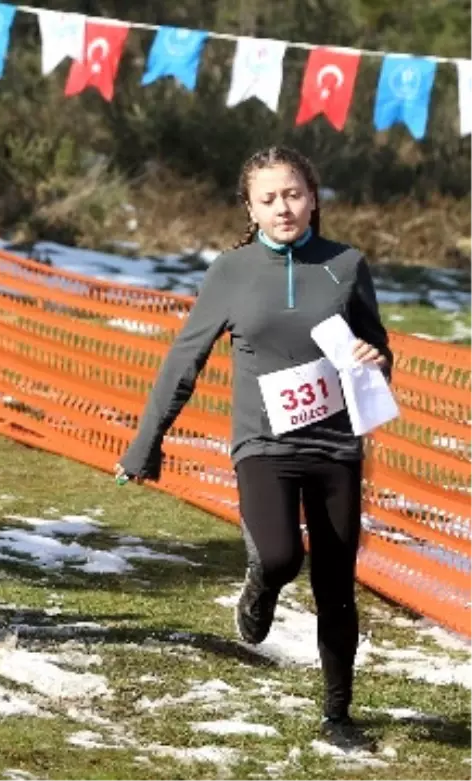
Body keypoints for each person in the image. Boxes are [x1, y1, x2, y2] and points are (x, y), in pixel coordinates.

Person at [115, 146, 391, 750]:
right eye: (267, 199)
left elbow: (376, 348)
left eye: (292, 194)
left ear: (313, 197)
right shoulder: (231, 272)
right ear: (250, 207)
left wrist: (377, 358)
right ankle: (261, 586)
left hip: (335, 444)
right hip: (263, 442)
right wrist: (146, 442)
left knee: (336, 584)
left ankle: (338, 715)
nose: (282, 207)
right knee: (280, 554)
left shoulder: (345, 264)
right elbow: (184, 359)